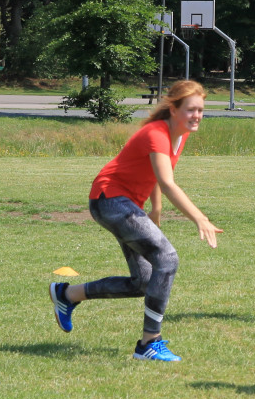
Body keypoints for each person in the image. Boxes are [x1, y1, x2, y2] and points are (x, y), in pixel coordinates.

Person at [49, 79, 221, 362]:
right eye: (191, 109)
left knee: (143, 281)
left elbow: (155, 174)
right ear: (174, 108)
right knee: (167, 259)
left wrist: (155, 209)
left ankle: (67, 294)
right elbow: (167, 182)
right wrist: (200, 218)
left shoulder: (179, 133)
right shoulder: (157, 133)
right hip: (110, 200)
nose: (197, 116)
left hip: (123, 204)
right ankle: (149, 343)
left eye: (201, 110)